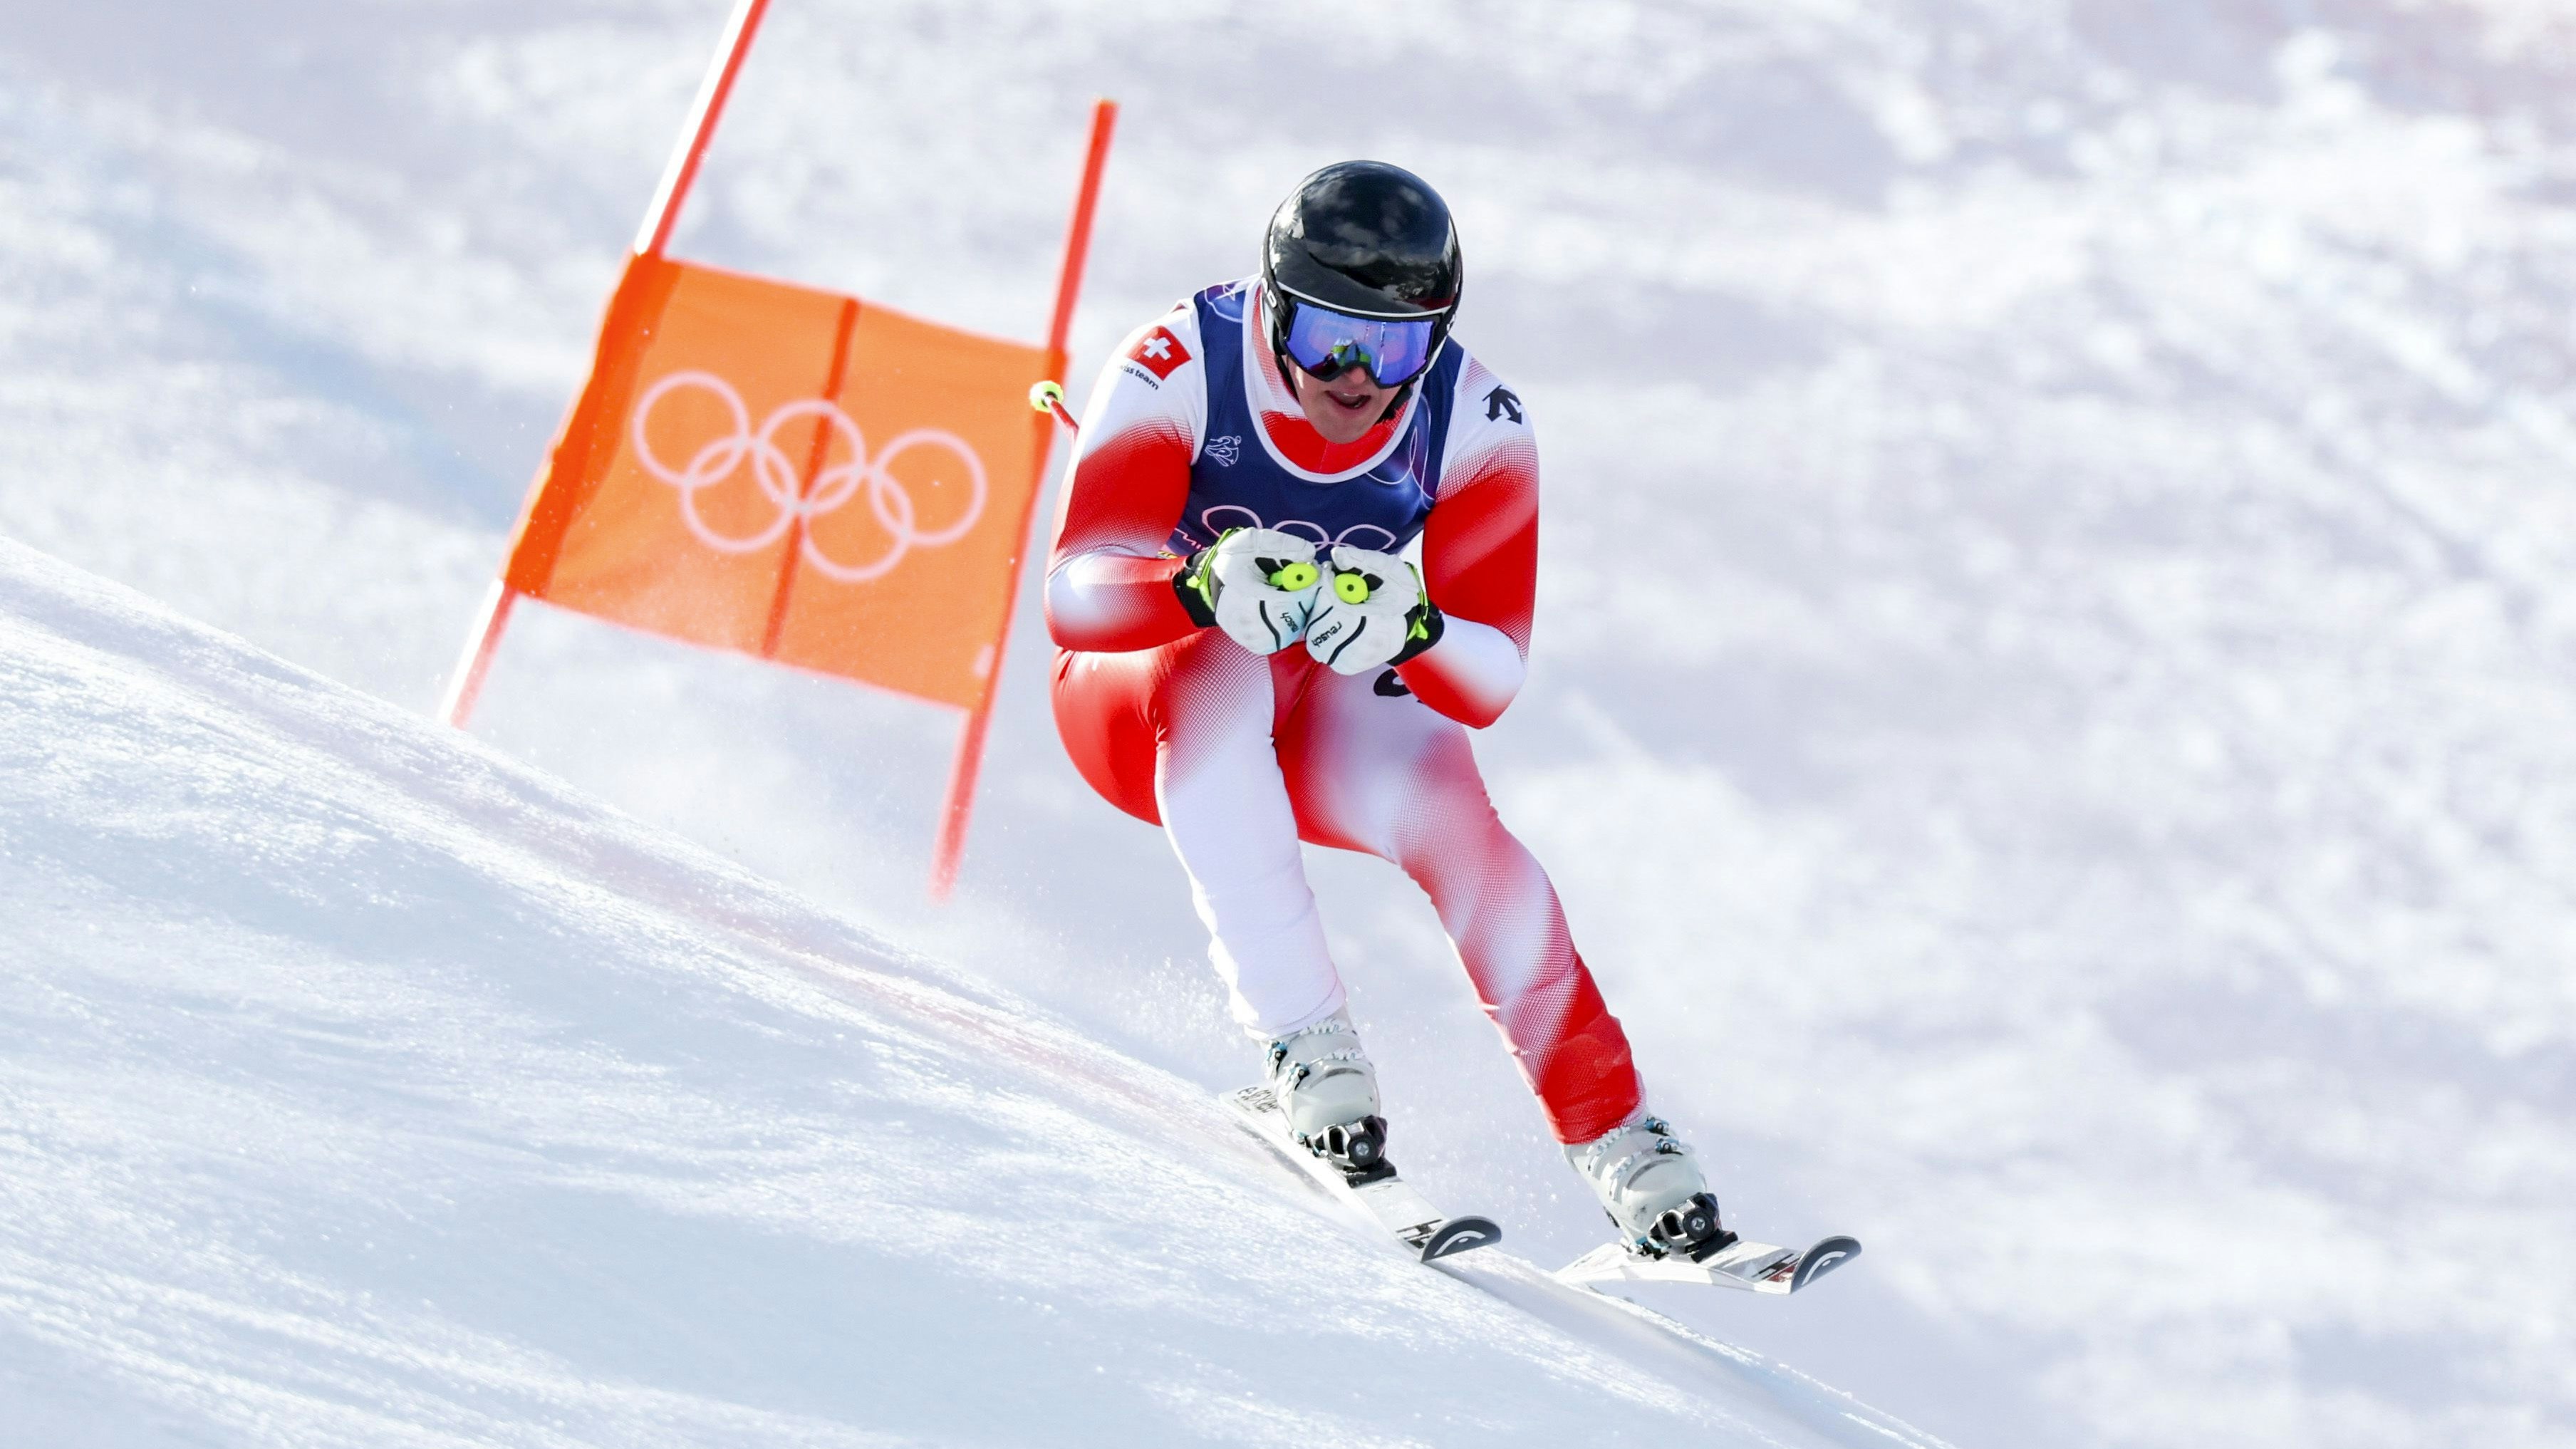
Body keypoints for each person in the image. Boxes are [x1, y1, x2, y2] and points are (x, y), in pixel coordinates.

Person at [1042, 160, 1728, 1260]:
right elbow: (1073, 597)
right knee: (1216, 673)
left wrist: (1416, 625)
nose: (1356, 377)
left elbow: (1490, 680)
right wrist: (1197, 583)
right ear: (1273, 306)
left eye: (1394, 348)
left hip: (1311, 686)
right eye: (1324, 337)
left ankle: (1624, 1143)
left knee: (1447, 805)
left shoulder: (1476, 420)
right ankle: (1308, 1050)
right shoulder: (1180, 362)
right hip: (1137, 699)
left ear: (1438, 340)